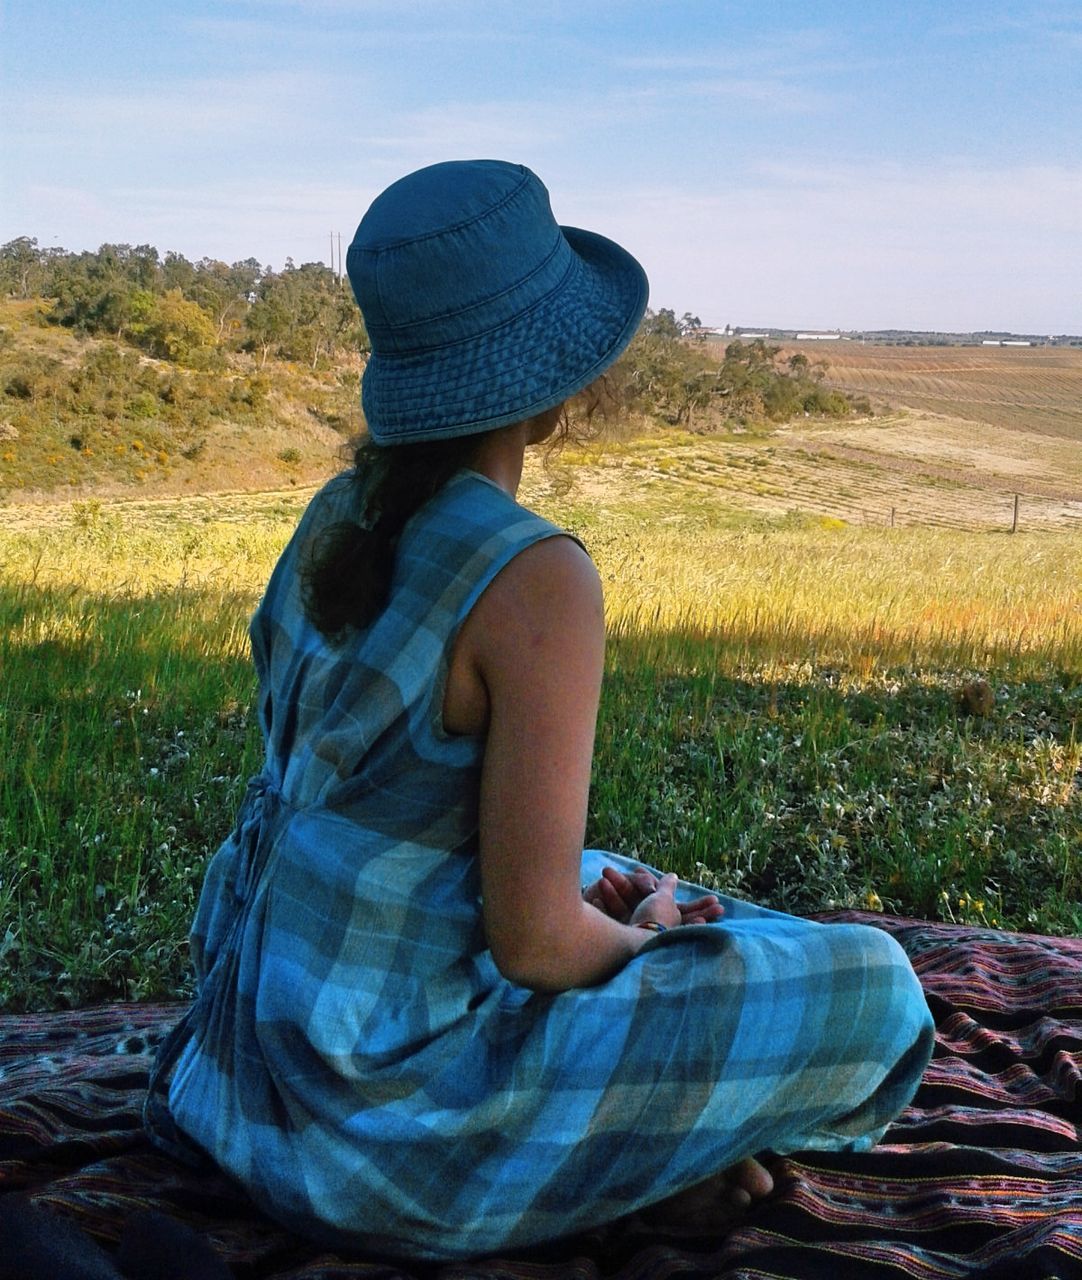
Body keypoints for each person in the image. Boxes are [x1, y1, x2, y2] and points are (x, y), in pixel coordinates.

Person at [147, 160, 934, 1261]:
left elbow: (406, 832)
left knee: (599, 865)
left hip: (242, 1068)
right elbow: (530, 943)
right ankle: (619, 1167)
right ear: (552, 375)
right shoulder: (532, 576)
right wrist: (640, 946)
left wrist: (606, 918)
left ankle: (632, 1135)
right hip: (380, 1136)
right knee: (873, 986)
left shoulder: (340, 511)